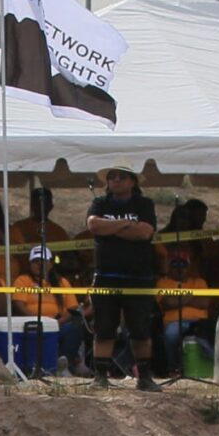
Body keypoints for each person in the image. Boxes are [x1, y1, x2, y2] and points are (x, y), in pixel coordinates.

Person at [86, 165, 164, 390]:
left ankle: (145, 376)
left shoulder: (144, 204)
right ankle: (100, 375)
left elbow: (144, 232)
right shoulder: (100, 203)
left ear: (132, 182)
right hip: (106, 276)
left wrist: (110, 228)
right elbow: (93, 225)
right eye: (112, 177)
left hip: (138, 277)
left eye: (122, 177)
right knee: (104, 328)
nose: (116, 181)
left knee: (140, 329)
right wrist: (127, 223)